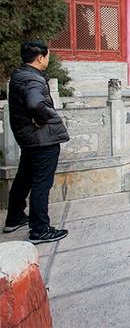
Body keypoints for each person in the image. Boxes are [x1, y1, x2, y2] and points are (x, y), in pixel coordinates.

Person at [4, 41, 69, 244]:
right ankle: (39, 229)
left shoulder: (19, 75)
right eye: (47, 56)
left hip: (28, 137)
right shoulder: (33, 79)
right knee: (41, 183)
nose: (48, 59)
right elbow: (34, 103)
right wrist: (44, 119)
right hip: (42, 138)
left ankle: (14, 217)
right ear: (40, 57)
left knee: (24, 177)